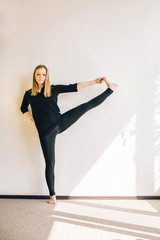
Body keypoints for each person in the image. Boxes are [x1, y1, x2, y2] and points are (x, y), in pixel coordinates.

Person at [20, 64, 118, 204]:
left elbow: (74, 87)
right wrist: (32, 119)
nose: (41, 77)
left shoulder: (54, 89)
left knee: (84, 107)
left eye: (43, 74)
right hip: (45, 133)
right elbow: (22, 108)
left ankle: (110, 90)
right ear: (34, 76)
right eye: (38, 74)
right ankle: (52, 196)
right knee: (50, 162)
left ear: (47, 76)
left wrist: (94, 81)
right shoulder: (29, 94)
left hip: (60, 122)